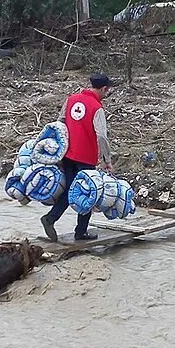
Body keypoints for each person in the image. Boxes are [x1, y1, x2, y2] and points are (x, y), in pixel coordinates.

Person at [41, 73, 116, 243]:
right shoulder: (97, 108)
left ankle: (51, 218)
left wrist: (58, 150)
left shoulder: (71, 99)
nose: (107, 93)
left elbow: (59, 123)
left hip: (68, 155)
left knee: (69, 190)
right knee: (88, 192)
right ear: (104, 88)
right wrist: (107, 161)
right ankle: (80, 231)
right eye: (107, 90)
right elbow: (102, 136)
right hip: (86, 158)